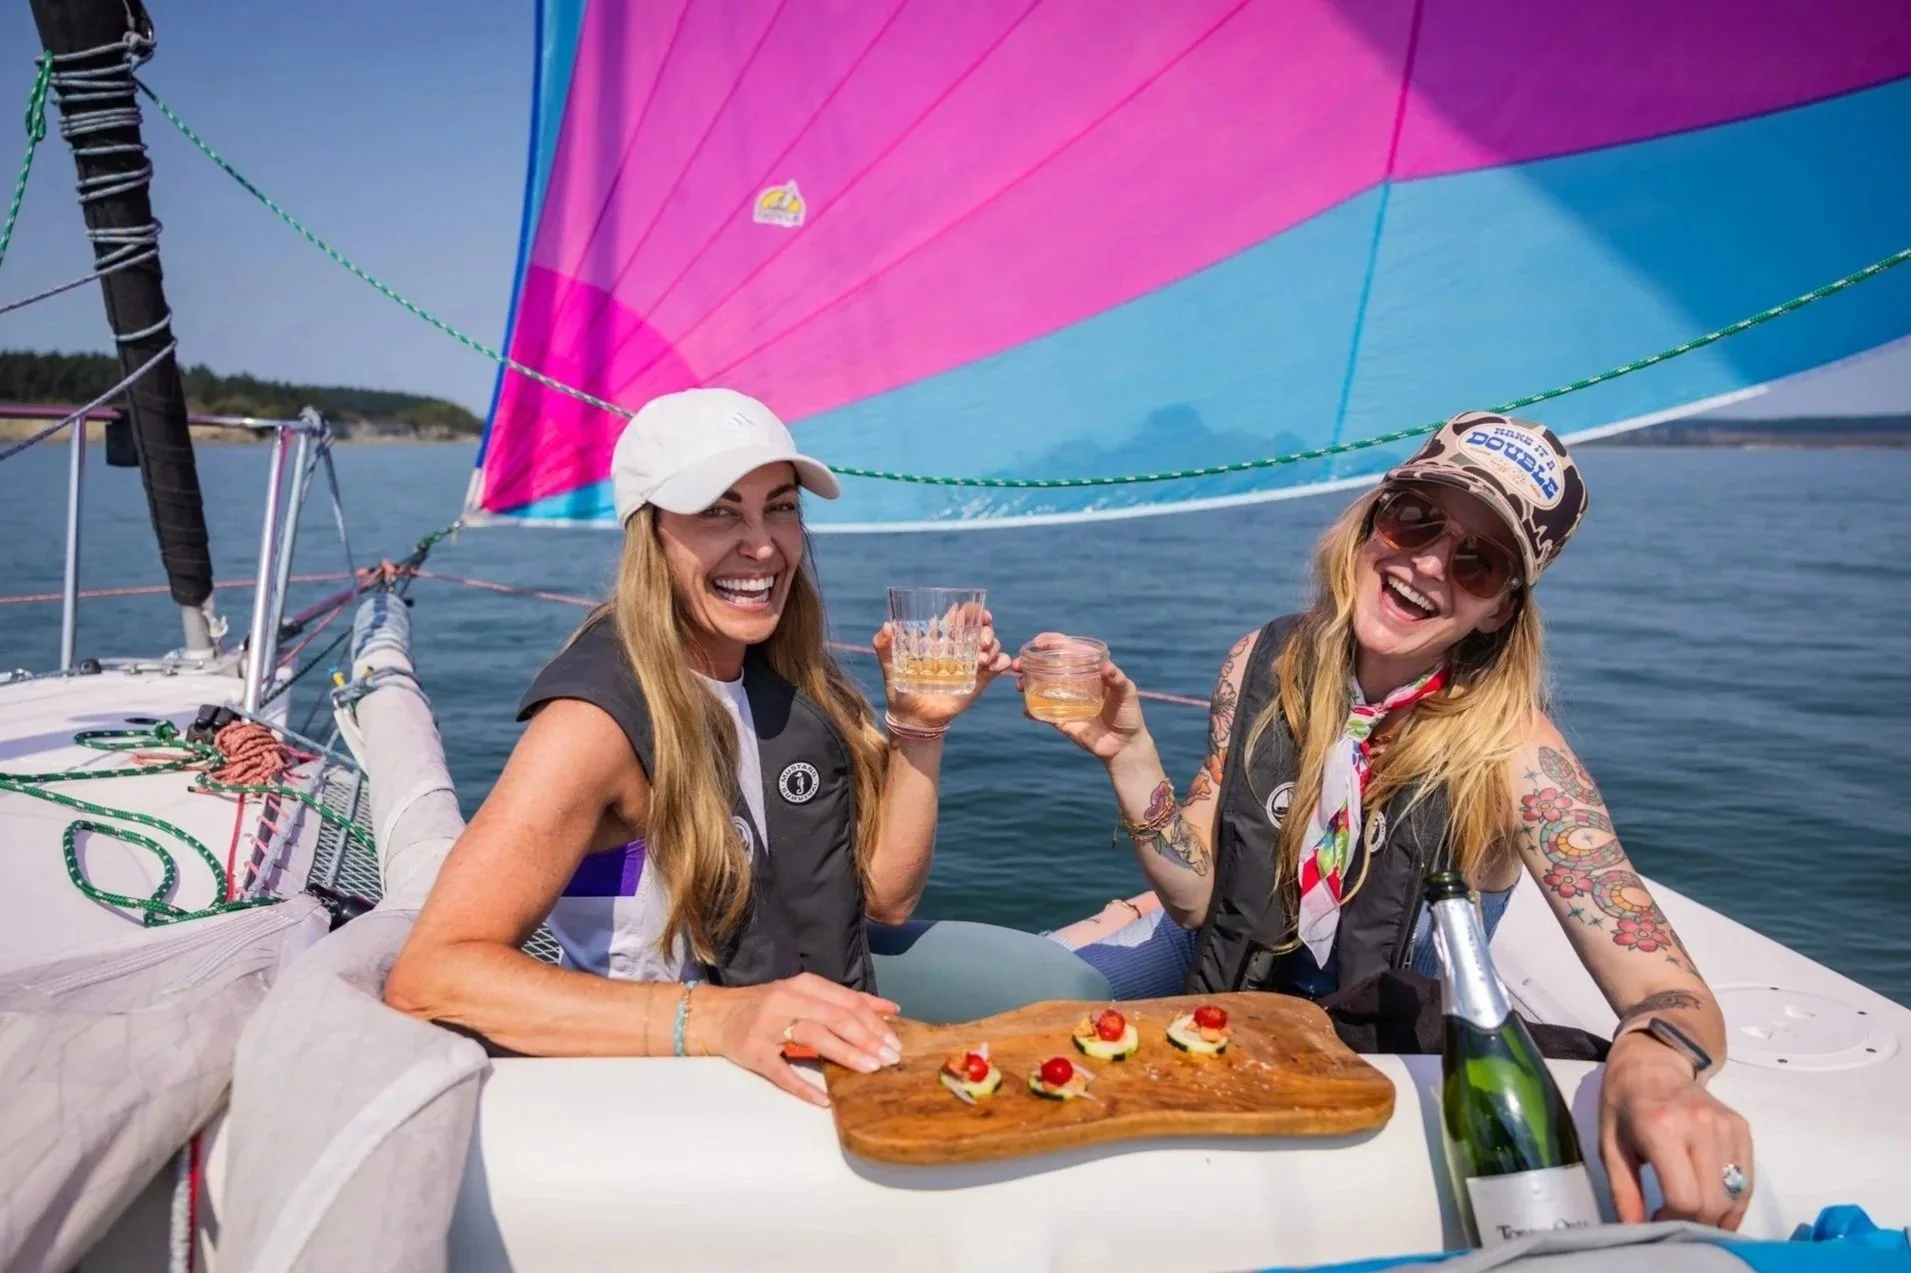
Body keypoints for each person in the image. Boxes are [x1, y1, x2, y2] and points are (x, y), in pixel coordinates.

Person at [1018, 411, 1754, 1230]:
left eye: (1477, 561)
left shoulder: (1517, 757)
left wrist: (1654, 1067)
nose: (1429, 563)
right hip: (1222, 967)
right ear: (1371, 519)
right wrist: (1129, 756)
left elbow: (1670, 993)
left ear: (1498, 611)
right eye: (1415, 518)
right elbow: (1197, 897)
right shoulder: (1262, 662)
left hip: (1375, 1028)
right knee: (1010, 1015)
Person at [384, 387, 1008, 1107]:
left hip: (806, 1060)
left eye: (779, 505)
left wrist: (919, 726)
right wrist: (721, 1017)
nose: (764, 544)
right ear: (648, 533)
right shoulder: (595, 724)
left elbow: (885, 899)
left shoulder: (782, 683)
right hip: (667, 1095)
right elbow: (432, 977)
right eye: (718, 511)